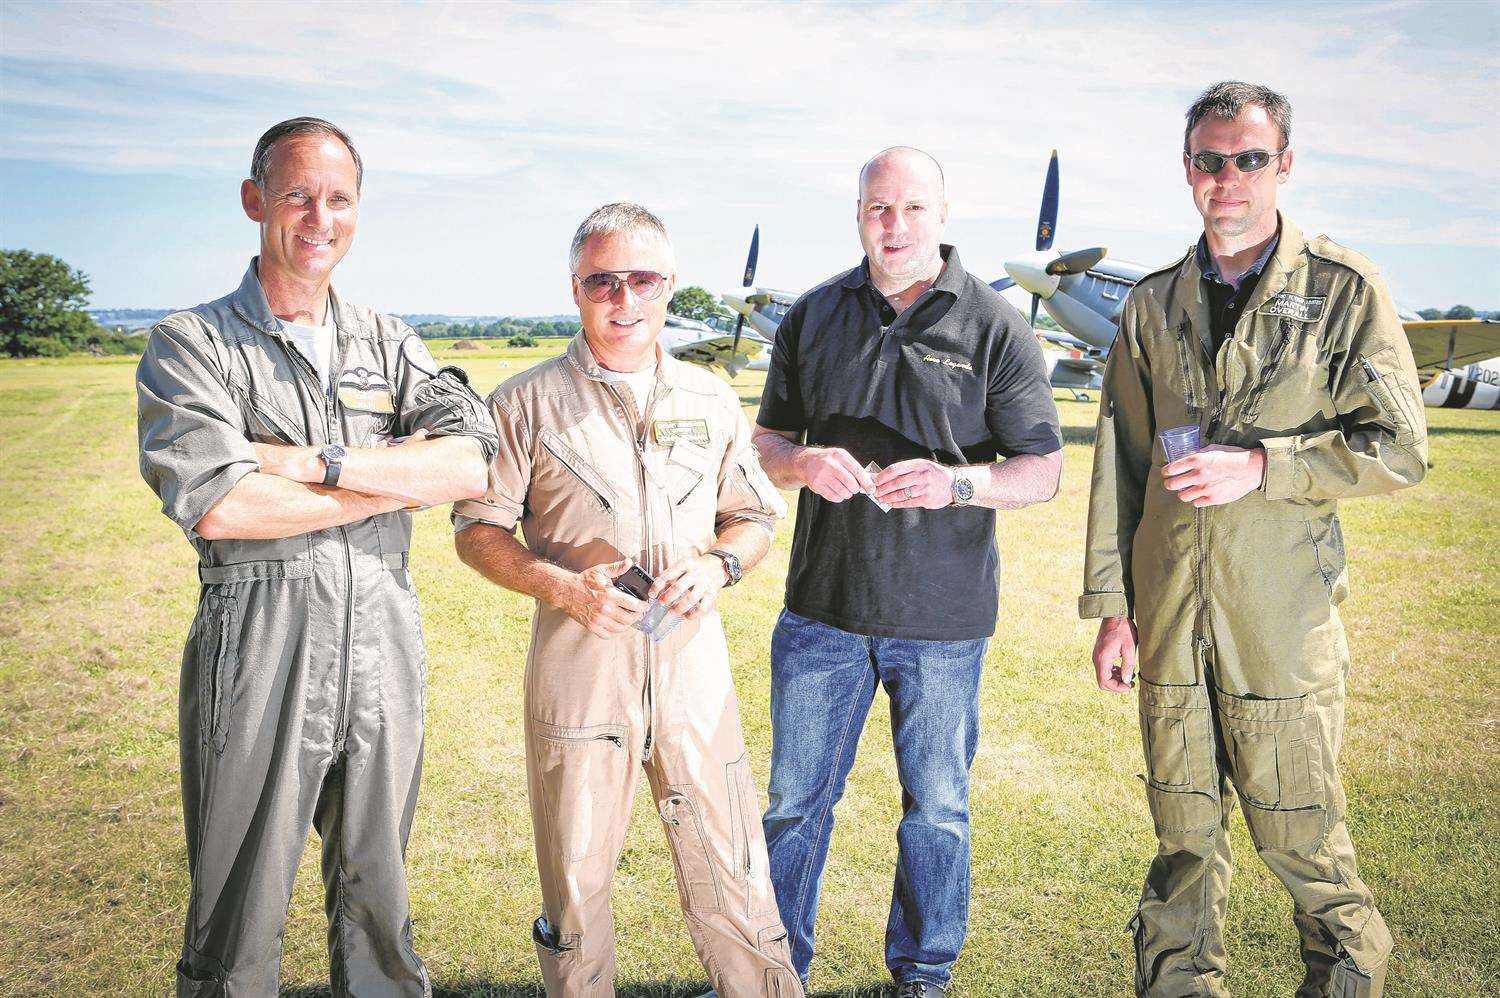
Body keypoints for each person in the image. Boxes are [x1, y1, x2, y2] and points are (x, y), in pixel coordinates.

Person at [136, 116, 498, 996]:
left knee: (379, 898)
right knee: (239, 911)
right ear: (256, 199)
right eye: (297, 193)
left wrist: (319, 463)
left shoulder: (388, 339)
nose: (318, 217)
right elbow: (222, 503)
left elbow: (468, 462)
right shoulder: (193, 345)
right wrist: (393, 480)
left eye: (339, 198)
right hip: (260, 645)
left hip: (383, 637)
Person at [1081, 81, 1428, 998]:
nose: (1226, 178)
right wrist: (1114, 609)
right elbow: (1118, 465)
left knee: (1301, 837)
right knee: (1184, 842)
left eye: (1249, 159)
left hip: (1280, 615)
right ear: (1186, 168)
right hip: (1167, 615)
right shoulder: (1152, 305)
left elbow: (1398, 447)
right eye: (1209, 159)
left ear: (1284, 164)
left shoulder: (1344, 289)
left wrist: (1267, 466)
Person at [452, 203, 803, 998]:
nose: (624, 298)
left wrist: (719, 567)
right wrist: (560, 586)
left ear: (669, 287)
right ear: (576, 289)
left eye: (641, 279)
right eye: (602, 281)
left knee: (735, 872)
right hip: (581, 676)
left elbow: (751, 518)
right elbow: (476, 529)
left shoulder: (710, 399)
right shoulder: (525, 403)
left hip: (695, 676)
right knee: (576, 889)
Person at [751, 147, 1064, 997]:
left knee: (938, 813)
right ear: (859, 213)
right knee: (791, 808)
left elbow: (1042, 469)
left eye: (911, 209)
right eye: (877, 208)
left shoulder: (997, 325)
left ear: (942, 215)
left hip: (944, 622)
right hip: (822, 610)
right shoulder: (813, 315)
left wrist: (959, 482)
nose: (893, 226)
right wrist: (803, 463)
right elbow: (768, 444)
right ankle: (774, 973)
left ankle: (922, 978)